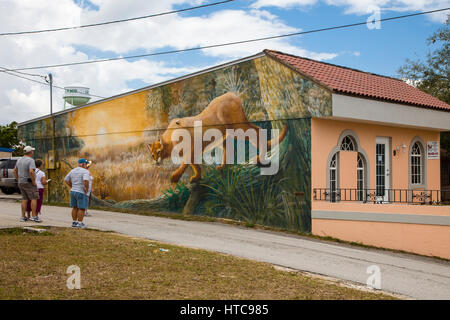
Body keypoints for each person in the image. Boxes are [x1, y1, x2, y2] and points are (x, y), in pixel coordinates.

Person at [13, 146, 41, 223]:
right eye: (32, 151)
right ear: (31, 152)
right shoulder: (31, 160)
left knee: (24, 199)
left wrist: (18, 179)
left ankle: (23, 216)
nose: (33, 152)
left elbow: (14, 171)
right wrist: (34, 181)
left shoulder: (19, 160)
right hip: (28, 182)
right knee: (34, 198)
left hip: (21, 182)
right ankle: (34, 216)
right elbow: (31, 171)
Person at [64, 158, 90, 228]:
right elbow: (86, 181)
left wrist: (71, 186)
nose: (86, 165)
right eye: (86, 164)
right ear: (84, 164)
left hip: (73, 191)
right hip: (81, 191)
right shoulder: (85, 171)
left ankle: (74, 222)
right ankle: (80, 223)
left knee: (74, 207)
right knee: (81, 208)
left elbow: (66, 179)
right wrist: (86, 189)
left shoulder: (73, 170)